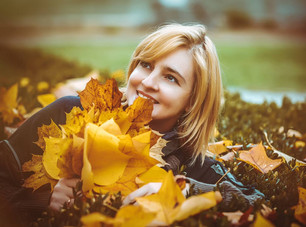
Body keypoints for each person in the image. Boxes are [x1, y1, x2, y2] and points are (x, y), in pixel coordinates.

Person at [0, 23, 263, 225]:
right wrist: (44, 205)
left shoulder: (195, 166)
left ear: (193, 100)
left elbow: (262, 204)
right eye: (146, 65)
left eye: (171, 78)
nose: (148, 82)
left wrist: (182, 190)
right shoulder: (69, 113)